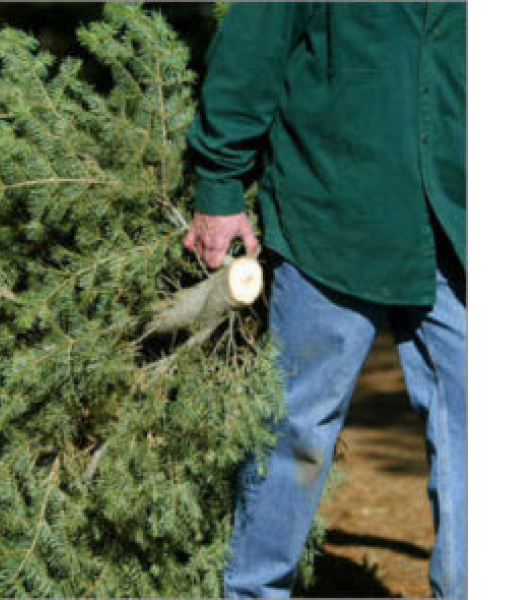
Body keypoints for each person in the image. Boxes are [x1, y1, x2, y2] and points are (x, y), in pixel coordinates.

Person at [182, 3, 466, 598]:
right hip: (332, 211)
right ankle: (255, 592)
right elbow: (255, 43)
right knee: (298, 430)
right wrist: (220, 182)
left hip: (464, 223)